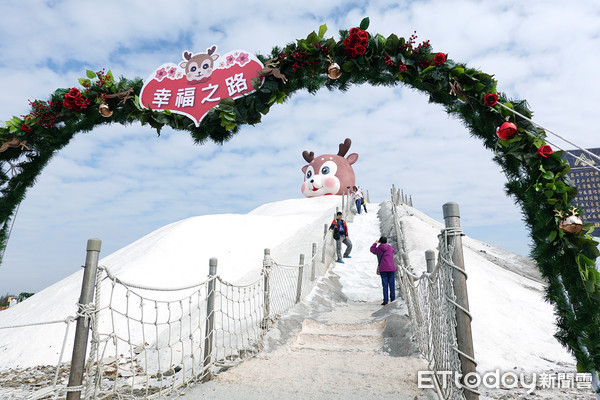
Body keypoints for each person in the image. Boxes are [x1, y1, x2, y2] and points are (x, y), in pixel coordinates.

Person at [370, 236, 396, 305]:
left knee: (385, 285)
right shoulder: (390, 248)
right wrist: (387, 245)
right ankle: (393, 299)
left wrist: (375, 243)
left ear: (380, 242)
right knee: (392, 284)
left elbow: (372, 249)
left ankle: (385, 300)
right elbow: (394, 250)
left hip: (383, 269)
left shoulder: (378, 249)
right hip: (391, 268)